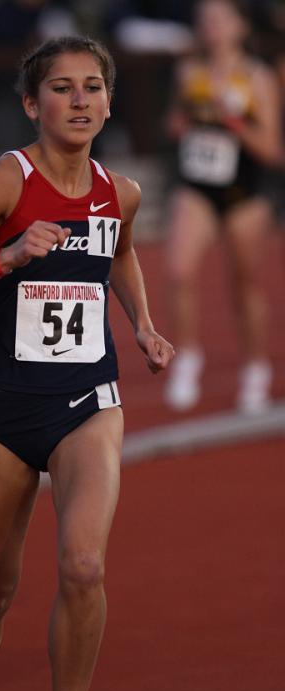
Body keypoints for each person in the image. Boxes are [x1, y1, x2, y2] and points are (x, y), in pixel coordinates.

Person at [0, 35, 175, 691]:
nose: (80, 99)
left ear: (110, 104)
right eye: (62, 87)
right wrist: (7, 258)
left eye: (92, 86)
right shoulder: (5, 182)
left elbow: (118, 256)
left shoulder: (123, 192)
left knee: (84, 566)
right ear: (33, 104)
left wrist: (143, 322)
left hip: (87, 402)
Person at [163, 0, 283, 413]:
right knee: (178, 270)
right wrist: (187, 120)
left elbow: (271, 150)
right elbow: (174, 124)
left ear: (240, 27)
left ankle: (254, 368)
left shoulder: (258, 78)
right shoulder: (188, 72)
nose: (210, 26)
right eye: (204, 20)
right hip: (196, 186)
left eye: (218, 19)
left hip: (243, 191)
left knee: (245, 281)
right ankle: (188, 356)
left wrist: (234, 121)